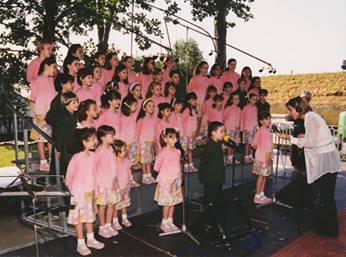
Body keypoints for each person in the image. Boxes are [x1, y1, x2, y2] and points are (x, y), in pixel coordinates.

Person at [281, 96, 341, 237]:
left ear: (298, 108)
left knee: (326, 197)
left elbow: (311, 143)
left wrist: (292, 139)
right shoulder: (311, 117)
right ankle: (323, 224)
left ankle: (330, 230)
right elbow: (314, 138)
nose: (291, 113)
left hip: (326, 162)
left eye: (291, 110)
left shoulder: (310, 118)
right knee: (325, 196)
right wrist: (303, 137)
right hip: (327, 160)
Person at [65, 127, 105, 256]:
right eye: (92, 139)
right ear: (83, 142)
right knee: (79, 219)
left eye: (95, 139)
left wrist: (95, 190)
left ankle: (91, 239)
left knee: (90, 217)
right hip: (78, 195)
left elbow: (95, 174)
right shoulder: (76, 158)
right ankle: (80, 243)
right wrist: (75, 193)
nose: (95, 141)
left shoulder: (93, 156)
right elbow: (69, 178)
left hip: (90, 193)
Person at [30, 56, 57, 171]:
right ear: (46, 66)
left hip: (51, 114)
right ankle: (43, 161)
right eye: (53, 67)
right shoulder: (37, 79)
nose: (54, 70)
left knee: (50, 138)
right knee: (41, 138)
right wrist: (36, 113)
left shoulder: (51, 81)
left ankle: (51, 159)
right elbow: (33, 97)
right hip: (40, 113)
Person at [154, 128, 183, 233]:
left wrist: (179, 177)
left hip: (175, 180)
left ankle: (170, 221)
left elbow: (178, 165)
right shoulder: (163, 153)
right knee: (167, 203)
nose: (174, 140)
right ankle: (164, 222)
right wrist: (166, 173)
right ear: (165, 139)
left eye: (175, 137)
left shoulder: (177, 151)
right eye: (171, 138)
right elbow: (156, 167)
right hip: (166, 181)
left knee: (173, 201)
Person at [198, 121, 226, 227]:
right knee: (210, 199)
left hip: (218, 177)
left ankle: (214, 219)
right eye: (221, 131)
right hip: (211, 179)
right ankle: (207, 220)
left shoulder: (218, 144)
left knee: (217, 199)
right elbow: (204, 164)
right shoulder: (209, 146)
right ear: (213, 133)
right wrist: (206, 178)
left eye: (224, 131)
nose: (224, 134)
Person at [95, 125, 120, 238]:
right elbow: (94, 168)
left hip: (112, 182)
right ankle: (102, 227)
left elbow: (113, 166)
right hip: (102, 184)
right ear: (103, 137)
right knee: (102, 206)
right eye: (111, 135)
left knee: (111, 204)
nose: (113, 137)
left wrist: (115, 179)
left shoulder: (111, 149)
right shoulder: (99, 151)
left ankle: (109, 225)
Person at [54, 92, 79, 175]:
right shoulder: (63, 118)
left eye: (77, 102)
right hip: (66, 149)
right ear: (66, 104)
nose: (77, 104)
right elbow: (59, 135)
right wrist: (58, 149)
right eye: (74, 103)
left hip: (73, 147)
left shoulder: (74, 116)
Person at [251, 112, 273, 204]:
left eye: (269, 118)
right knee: (261, 176)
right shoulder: (264, 131)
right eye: (266, 119)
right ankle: (257, 195)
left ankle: (261, 194)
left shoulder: (263, 130)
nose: (269, 120)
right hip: (263, 157)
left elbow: (253, 144)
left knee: (264, 176)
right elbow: (266, 147)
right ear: (261, 121)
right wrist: (267, 159)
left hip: (263, 156)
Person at [112, 140, 133, 230]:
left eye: (125, 150)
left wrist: (130, 181)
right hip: (117, 188)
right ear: (117, 152)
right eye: (123, 151)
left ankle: (124, 218)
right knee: (116, 205)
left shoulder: (126, 161)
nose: (125, 152)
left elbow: (128, 171)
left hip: (125, 186)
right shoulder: (114, 162)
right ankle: (115, 221)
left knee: (124, 204)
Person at [136, 98, 157, 185]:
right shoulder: (141, 120)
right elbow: (137, 132)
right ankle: (145, 176)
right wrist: (137, 144)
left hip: (150, 142)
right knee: (144, 160)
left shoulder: (153, 119)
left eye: (153, 106)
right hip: (143, 143)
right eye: (149, 106)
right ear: (144, 108)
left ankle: (149, 174)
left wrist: (154, 141)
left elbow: (155, 131)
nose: (151, 108)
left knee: (149, 160)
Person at [182, 92, 199, 172]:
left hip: (192, 134)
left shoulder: (194, 110)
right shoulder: (186, 110)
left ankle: (191, 164)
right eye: (193, 100)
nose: (195, 101)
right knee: (185, 150)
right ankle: (185, 165)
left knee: (190, 150)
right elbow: (182, 122)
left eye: (195, 100)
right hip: (186, 135)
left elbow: (195, 122)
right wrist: (185, 133)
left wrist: (195, 131)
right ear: (188, 101)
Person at [224, 93, 242, 164]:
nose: (237, 100)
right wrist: (226, 128)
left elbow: (239, 119)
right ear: (231, 100)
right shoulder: (228, 108)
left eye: (238, 99)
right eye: (235, 99)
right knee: (229, 144)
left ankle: (232, 158)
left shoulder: (239, 109)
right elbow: (224, 118)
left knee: (234, 144)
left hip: (236, 129)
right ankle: (229, 158)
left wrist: (238, 127)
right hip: (229, 129)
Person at [240, 93, 258, 163]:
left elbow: (256, 118)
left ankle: (251, 155)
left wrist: (257, 127)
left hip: (254, 128)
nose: (255, 101)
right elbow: (242, 118)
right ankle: (246, 156)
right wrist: (242, 128)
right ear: (249, 99)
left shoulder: (256, 108)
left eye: (256, 100)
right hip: (247, 128)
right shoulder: (245, 108)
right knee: (247, 143)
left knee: (253, 143)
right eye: (253, 99)